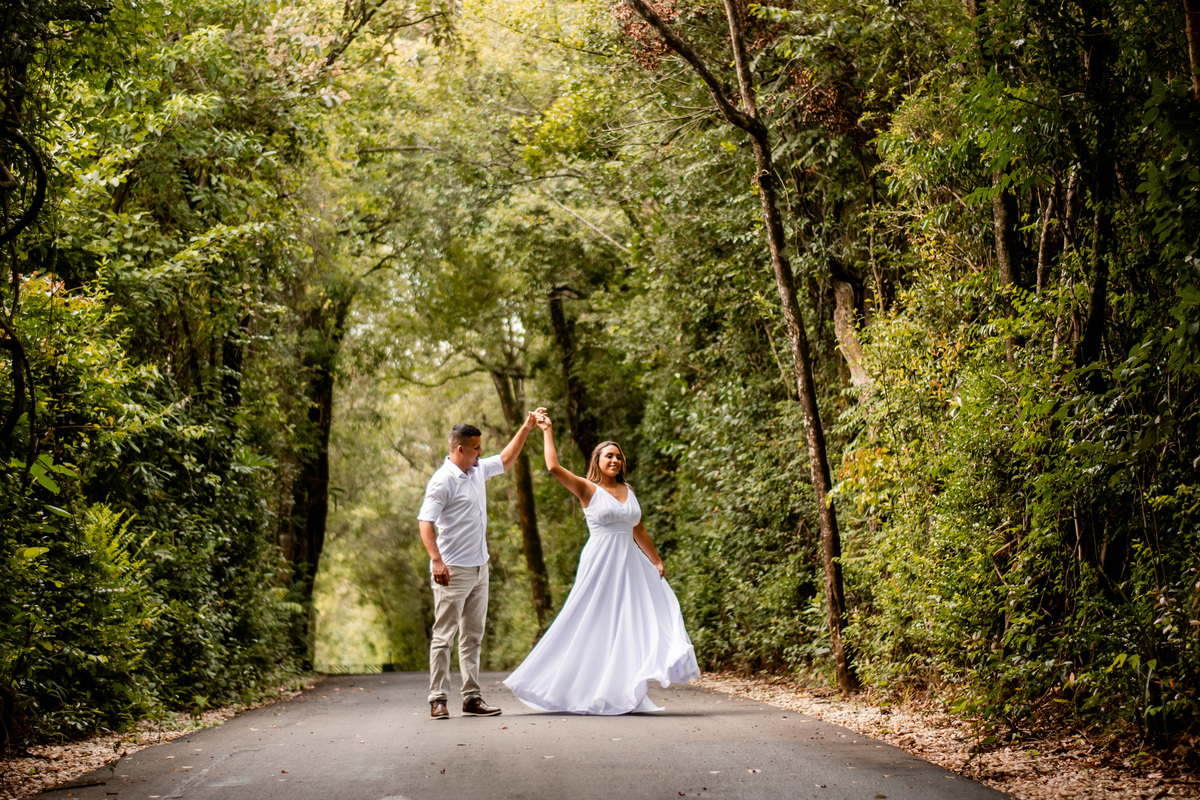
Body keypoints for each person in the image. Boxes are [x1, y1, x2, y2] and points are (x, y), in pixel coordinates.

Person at [503, 409, 700, 714]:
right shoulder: (587, 489)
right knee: (590, 621)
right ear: (597, 460)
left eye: (618, 456)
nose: (614, 460)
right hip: (601, 563)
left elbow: (638, 529)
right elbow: (553, 467)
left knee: (631, 624)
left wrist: (657, 560)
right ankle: (563, 685)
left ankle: (627, 691)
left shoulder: (628, 490)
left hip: (631, 565)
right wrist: (546, 430)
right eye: (608, 456)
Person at [418, 417, 537, 720]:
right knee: (444, 635)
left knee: (473, 636)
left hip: (479, 568)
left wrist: (526, 427)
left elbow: (507, 458)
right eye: (476, 448)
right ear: (460, 449)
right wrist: (436, 559)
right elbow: (425, 523)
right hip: (452, 570)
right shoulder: (442, 480)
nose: (481, 452)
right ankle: (437, 699)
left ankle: (471, 697)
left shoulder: (477, 470)